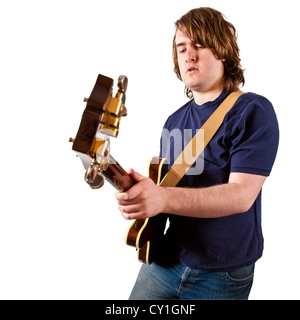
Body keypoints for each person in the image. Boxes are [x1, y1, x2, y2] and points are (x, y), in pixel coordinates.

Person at [114, 7, 279, 300]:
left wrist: (161, 198)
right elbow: (167, 192)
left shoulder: (252, 110)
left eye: (199, 44)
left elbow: (241, 195)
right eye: (182, 48)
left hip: (222, 271)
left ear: (223, 51)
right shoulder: (173, 121)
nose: (189, 55)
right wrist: (138, 195)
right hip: (166, 259)